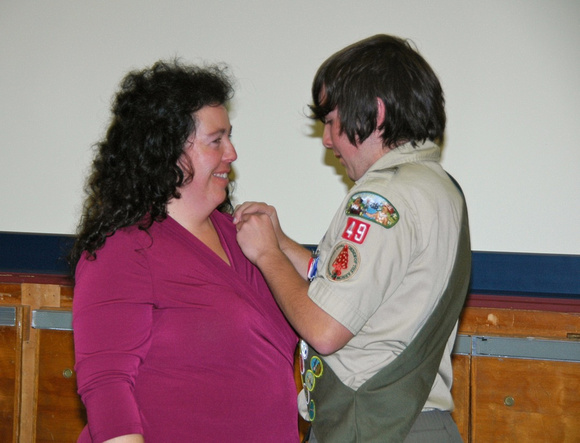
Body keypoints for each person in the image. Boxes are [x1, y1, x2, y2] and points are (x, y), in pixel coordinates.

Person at [234, 35, 471, 442]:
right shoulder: (438, 187)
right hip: (420, 423)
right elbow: (373, 294)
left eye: (330, 121)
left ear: (375, 113)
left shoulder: (381, 196)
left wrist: (268, 255)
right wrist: (285, 244)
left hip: (372, 425)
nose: (327, 140)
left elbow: (325, 329)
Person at [70, 60, 299, 443]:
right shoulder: (125, 247)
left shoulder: (244, 237)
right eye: (216, 140)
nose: (232, 153)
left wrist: (282, 248)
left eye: (229, 138)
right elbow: (107, 387)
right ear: (168, 151)